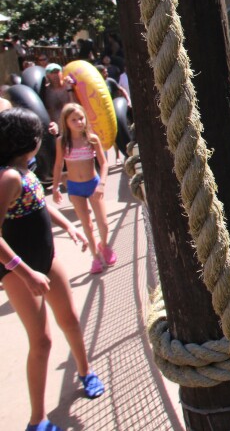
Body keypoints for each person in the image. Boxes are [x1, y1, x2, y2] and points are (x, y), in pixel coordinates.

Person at [0, 108, 105, 431]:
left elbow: (37, 202)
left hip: (46, 258)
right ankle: (37, 419)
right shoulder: (8, 177)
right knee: (42, 341)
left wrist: (67, 227)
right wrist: (25, 273)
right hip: (20, 270)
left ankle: (85, 372)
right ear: (27, 142)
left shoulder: (24, 169)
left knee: (70, 320)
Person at [52, 103, 115, 275]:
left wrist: (101, 184)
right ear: (66, 122)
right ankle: (95, 257)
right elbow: (58, 165)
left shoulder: (92, 139)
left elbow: (103, 163)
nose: (79, 122)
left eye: (81, 118)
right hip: (74, 187)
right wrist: (56, 187)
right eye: (74, 120)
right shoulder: (62, 142)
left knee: (103, 224)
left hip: (93, 184)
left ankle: (104, 245)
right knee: (87, 225)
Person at [39, 63, 75, 136]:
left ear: (61, 73)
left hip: (72, 125)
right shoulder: (45, 91)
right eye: (52, 73)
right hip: (57, 129)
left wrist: (70, 89)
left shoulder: (68, 86)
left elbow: (75, 106)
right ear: (47, 76)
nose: (55, 75)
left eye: (57, 72)